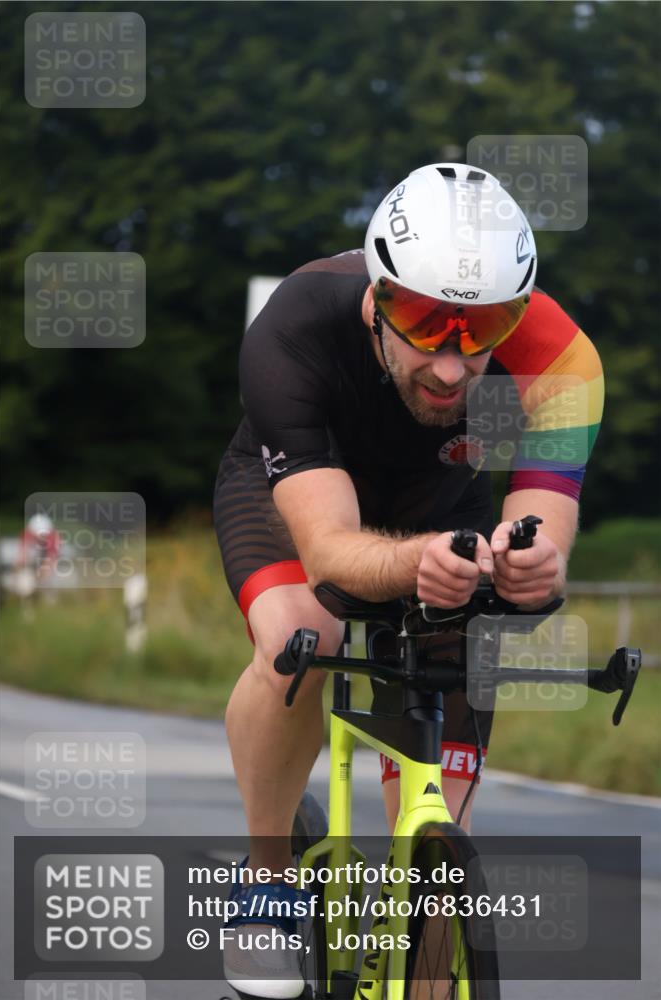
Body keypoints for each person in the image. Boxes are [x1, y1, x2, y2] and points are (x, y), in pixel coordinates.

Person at [213, 163, 604, 996]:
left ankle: (424, 936)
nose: (453, 368)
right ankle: (266, 881)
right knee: (300, 636)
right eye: (426, 326)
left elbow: (544, 525)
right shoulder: (294, 325)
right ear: (376, 301)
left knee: (457, 674)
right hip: (295, 496)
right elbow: (330, 551)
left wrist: (533, 564)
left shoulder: (563, 357)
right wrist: (415, 561)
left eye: (483, 329)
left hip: (441, 503)